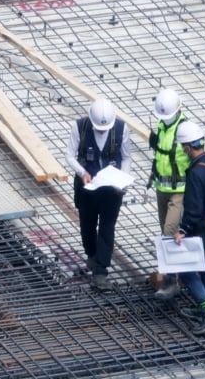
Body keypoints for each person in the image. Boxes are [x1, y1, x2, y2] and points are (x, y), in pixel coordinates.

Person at [65, 98, 132, 291]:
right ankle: (92, 256)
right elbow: (69, 155)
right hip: (87, 188)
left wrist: (123, 181)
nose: (102, 131)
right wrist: (82, 172)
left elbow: (126, 157)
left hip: (111, 189)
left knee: (107, 227)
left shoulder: (120, 128)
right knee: (87, 224)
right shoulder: (80, 127)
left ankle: (101, 270)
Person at [173, 120, 205, 335]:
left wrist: (183, 230)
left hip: (201, 230)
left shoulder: (195, 173)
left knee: (186, 270)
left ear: (187, 147)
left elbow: (193, 208)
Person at [149, 88, 190, 300]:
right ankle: (177, 272)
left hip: (179, 191)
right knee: (166, 233)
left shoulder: (185, 129)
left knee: (169, 232)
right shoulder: (162, 125)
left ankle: (171, 281)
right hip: (161, 188)